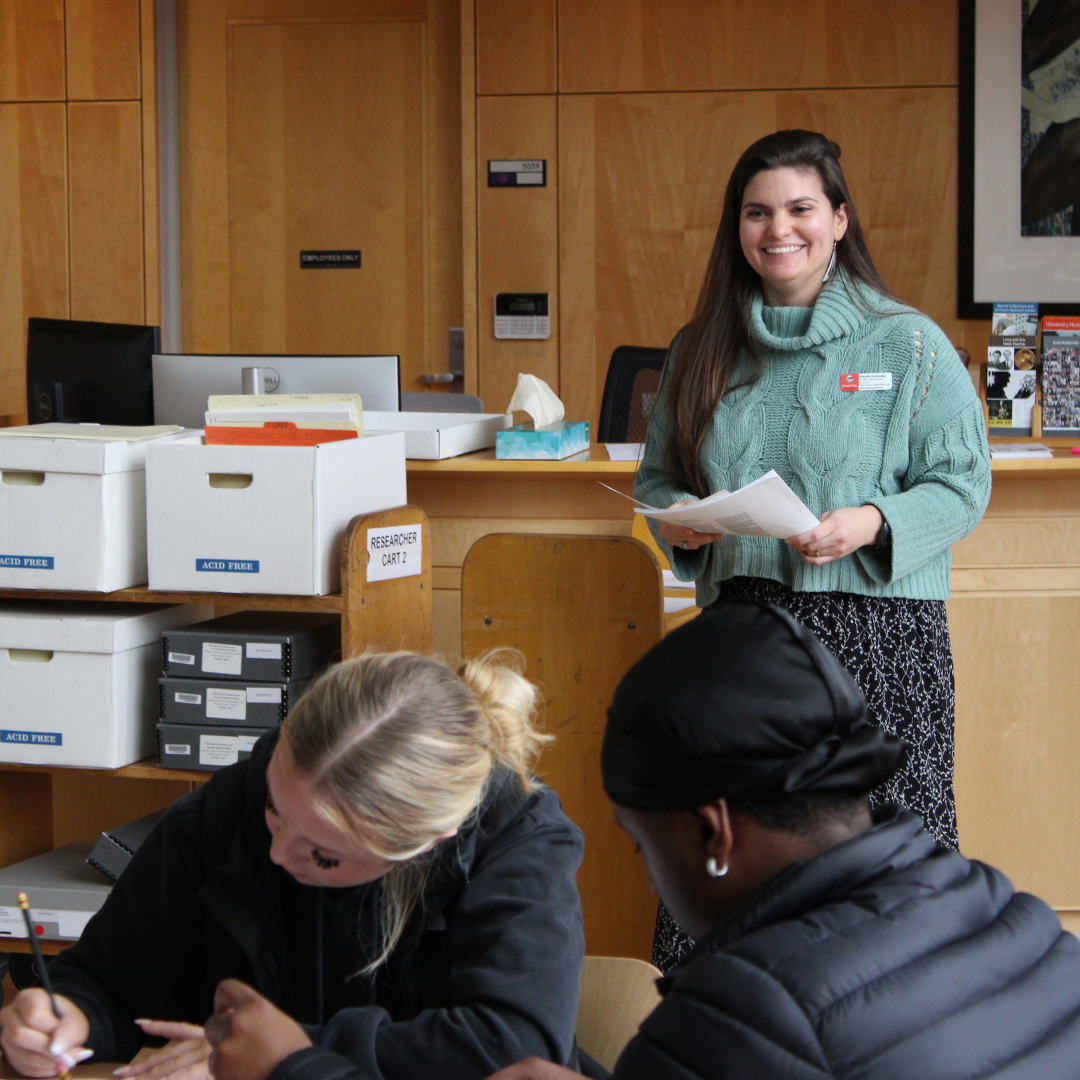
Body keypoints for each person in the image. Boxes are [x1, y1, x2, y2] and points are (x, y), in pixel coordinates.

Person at [634, 129, 992, 968]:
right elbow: (657, 481)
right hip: (737, 639)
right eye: (757, 212)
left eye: (800, 208)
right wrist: (676, 519)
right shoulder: (699, 347)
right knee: (727, 853)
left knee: (883, 863)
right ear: (738, 228)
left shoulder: (906, 343)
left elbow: (963, 483)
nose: (777, 229)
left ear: (838, 219)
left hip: (876, 639)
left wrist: (870, 521)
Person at [474, 604, 1080, 1080]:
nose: (653, 880)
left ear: (712, 832)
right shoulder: (996, 904)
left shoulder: (741, 1011)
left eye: (642, 846)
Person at [0, 651, 585, 1080]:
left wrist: (277, 1056)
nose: (279, 854)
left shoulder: (518, 842)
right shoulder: (222, 815)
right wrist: (66, 1014)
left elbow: (515, 1050)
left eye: (324, 855)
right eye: (276, 811)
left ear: (427, 842)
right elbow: (109, 981)